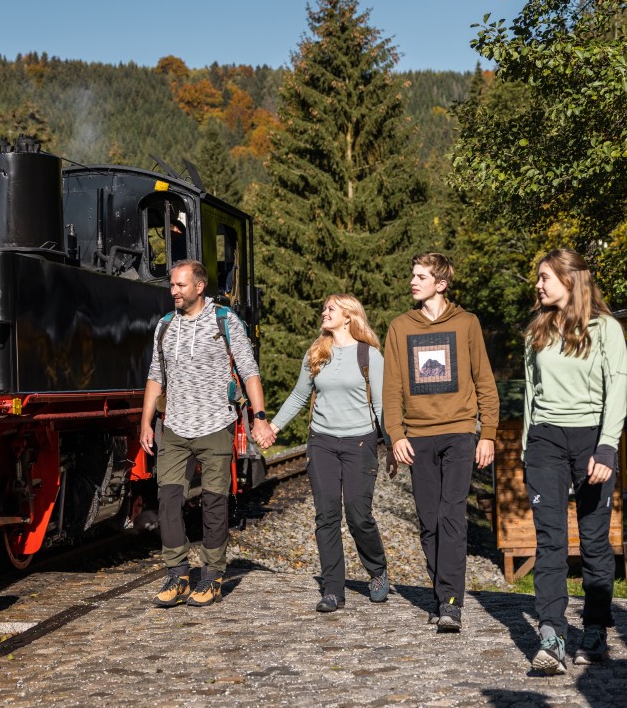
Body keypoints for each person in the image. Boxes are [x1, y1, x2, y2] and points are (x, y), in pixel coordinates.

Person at [140, 259, 275, 608]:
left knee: (214, 504)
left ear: (199, 287)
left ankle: (212, 576)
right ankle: (178, 573)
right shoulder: (165, 326)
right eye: (171, 285)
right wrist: (145, 423)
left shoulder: (224, 321)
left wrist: (259, 418)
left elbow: (249, 371)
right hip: (174, 428)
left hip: (216, 425)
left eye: (180, 286)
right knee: (168, 501)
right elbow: (156, 376)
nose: (173, 291)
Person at [523, 249, 627, 675]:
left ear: (570, 280)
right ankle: (551, 635)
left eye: (545, 277)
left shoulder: (607, 329)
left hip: (591, 440)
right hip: (545, 439)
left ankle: (596, 629)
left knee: (594, 540)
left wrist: (607, 447)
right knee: (550, 541)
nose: (539, 284)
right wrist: (529, 446)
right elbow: (532, 392)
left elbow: (617, 389)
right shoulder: (537, 331)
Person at [383, 252, 500, 633]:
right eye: (412, 274)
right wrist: (396, 435)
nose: (413, 281)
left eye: (421, 276)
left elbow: (484, 381)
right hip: (418, 437)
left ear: (441, 283)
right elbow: (392, 388)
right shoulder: (400, 327)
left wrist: (489, 435)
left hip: (460, 433)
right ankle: (440, 594)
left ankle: (451, 603)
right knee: (429, 521)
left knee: (452, 517)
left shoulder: (466, 323)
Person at [268, 294, 391, 613]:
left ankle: (377, 570)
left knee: (357, 514)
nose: (324, 313)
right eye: (324, 309)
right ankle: (333, 589)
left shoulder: (370, 355)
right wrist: (273, 428)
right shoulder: (316, 352)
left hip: (359, 444)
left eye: (331, 309)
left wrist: (392, 445)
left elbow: (380, 406)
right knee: (326, 515)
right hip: (321, 442)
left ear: (349, 316)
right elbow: (298, 396)